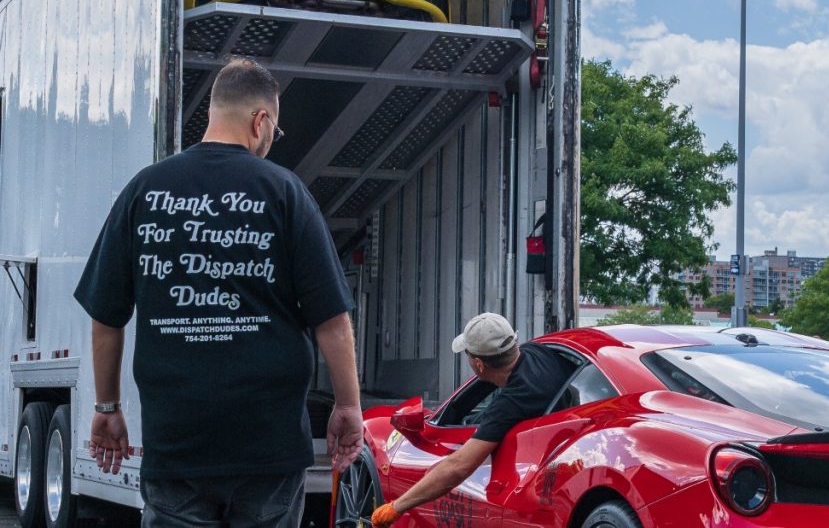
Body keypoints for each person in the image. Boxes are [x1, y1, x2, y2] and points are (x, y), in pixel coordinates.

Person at [75, 58, 363, 527]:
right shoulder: (284, 192)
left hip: (177, 447)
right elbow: (330, 319)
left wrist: (107, 407)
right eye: (276, 131)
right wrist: (348, 406)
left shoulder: (145, 191)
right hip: (268, 451)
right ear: (260, 121)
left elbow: (107, 315)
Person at [370, 313, 575, 528]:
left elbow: (458, 466)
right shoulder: (542, 350)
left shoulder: (509, 405)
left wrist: (396, 507)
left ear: (478, 364)